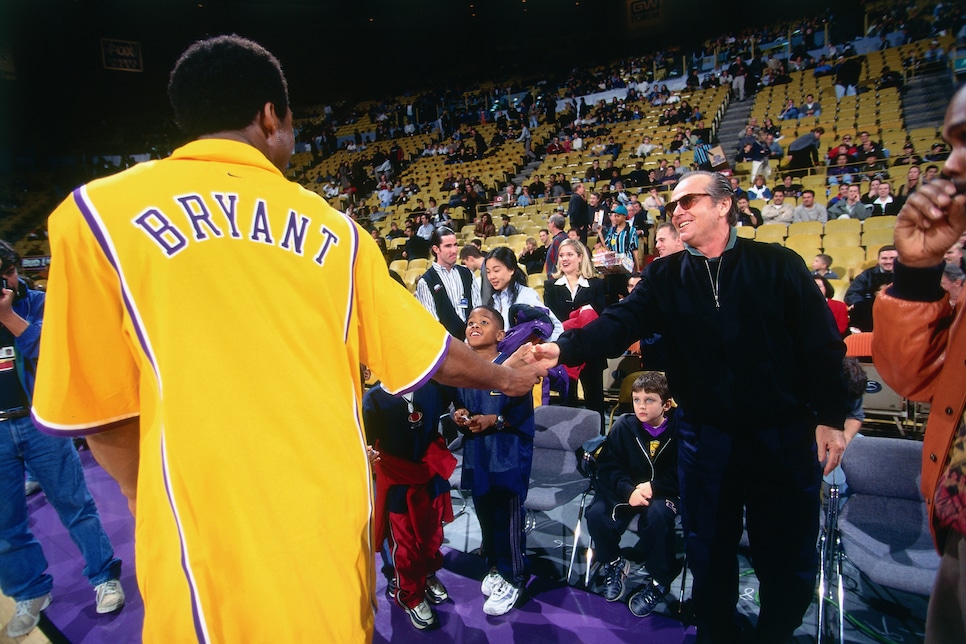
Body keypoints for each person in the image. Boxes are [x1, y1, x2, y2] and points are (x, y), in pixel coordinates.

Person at [29, 36, 545, 643]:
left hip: (197, 521)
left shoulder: (92, 217)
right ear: (270, 116)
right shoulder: (338, 232)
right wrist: (510, 377)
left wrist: (159, 500)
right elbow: (434, 355)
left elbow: (102, 411)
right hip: (323, 512)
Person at [526, 171, 849, 643]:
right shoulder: (664, 275)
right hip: (705, 436)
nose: (676, 211)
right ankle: (714, 630)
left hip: (780, 436)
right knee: (708, 547)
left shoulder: (778, 263)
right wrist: (565, 347)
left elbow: (822, 346)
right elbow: (620, 322)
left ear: (724, 205)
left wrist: (830, 417)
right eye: (672, 205)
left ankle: (776, 632)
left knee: (783, 549)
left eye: (688, 200)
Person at [871, 82, 966, 643]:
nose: (950, 164)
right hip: (955, 531)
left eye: (965, 141)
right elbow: (911, 377)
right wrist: (915, 272)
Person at [0, 241, 125, 638]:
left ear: (15, 271)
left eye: (7, 273)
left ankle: (103, 576)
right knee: (5, 523)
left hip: (40, 423)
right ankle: (30, 592)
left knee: (76, 505)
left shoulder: (37, 303)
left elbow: (56, 353)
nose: (5, 282)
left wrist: (8, 318)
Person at [451, 306, 537, 617]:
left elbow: (523, 416)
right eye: (471, 323)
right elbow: (458, 404)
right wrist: (457, 415)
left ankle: (514, 577)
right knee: (485, 513)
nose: (474, 326)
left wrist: (494, 420)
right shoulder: (464, 370)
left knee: (508, 517)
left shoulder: (512, 368)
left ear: (500, 335)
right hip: (478, 454)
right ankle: (495, 566)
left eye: (483, 323)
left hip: (507, 453)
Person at [362, 378, 457, 631]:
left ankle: (427, 575)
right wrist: (367, 454)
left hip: (430, 470)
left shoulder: (433, 387)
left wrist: (463, 412)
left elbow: (459, 397)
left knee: (432, 535)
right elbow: (367, 441)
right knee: (404, 544)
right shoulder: (374, 399)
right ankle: (410, 595)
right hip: (398, 477)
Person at [589, 371, 680, 618]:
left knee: (659, 516)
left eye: (649, 400)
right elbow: (608, 467)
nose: (641, 406)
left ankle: (660, 579)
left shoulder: (681, 429)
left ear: (666, 404)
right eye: (637, 399)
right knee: (596, 514)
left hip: (664, 492)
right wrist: (627, 491)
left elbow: (688, 471)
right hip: (627, 489)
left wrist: (655, 486)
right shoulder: (624, 426)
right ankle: (614, 562)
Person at [543, 240, 606, 420]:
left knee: (595, 401)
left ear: (580, 257)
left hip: (591, 351)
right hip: (565, 351)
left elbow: (601, 316)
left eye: (570, 254)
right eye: (561, 255)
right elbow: (553, 320)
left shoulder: (596, 284)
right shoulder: (551, 286)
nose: (564, 259)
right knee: (567, 402)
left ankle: (599, 444)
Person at [417, 227, 481, 340]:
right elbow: (433, 323)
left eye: (455, 245)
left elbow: (478, 309)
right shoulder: (426, 282)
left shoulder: (467, 273)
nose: (454, 250)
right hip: (447, 347)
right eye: (448, 246)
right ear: (436, 249)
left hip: (473, 341)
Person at [484, 247, 562, 340]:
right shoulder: (494, 299)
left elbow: (556, 326)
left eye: (496, 270)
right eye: (488, 272)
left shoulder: (526, 295)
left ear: (511, 269)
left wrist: (545, 348)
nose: (491, 276)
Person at [845, 245, 898, 331]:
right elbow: (852, 294)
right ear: (878, 260)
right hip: (870, 313)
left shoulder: (907, 275)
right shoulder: (867, 275)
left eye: (892, 258)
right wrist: (861, 306)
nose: (888, 261)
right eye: (884, 258)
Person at [544, 213, 568, 278]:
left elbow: (558, 261)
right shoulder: (562, 237)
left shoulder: (558, 240)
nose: (548, 225)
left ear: (553, 224)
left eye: (548, 222)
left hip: (557, 277)